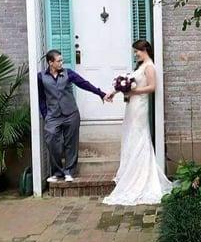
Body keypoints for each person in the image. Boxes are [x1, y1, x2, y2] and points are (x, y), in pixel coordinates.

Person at [103, 40, 173, 205]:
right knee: (131, 136)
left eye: (137, 51)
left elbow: (152, 87)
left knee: (139, 136)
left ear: (144, 50)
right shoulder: (140, 66)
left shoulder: (149, 66)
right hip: (132, 106)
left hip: (140, 106)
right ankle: (130, 170)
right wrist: (114, 92)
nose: (136, 54)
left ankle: (140, 176)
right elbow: (127, 84)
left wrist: (133, 91)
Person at [38, 49, 111, 183]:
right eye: (59, 61)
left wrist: (101, 93)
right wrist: (45, 114)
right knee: (52, 141)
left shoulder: (68, 73)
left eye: (62, 60)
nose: (62, 63)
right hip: (53, 116)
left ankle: (69, 172)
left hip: (71, 114)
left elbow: (84, 84)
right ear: (50, 62)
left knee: (71, 143)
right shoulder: (41, 77)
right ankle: (57, 172)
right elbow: (41, 98)